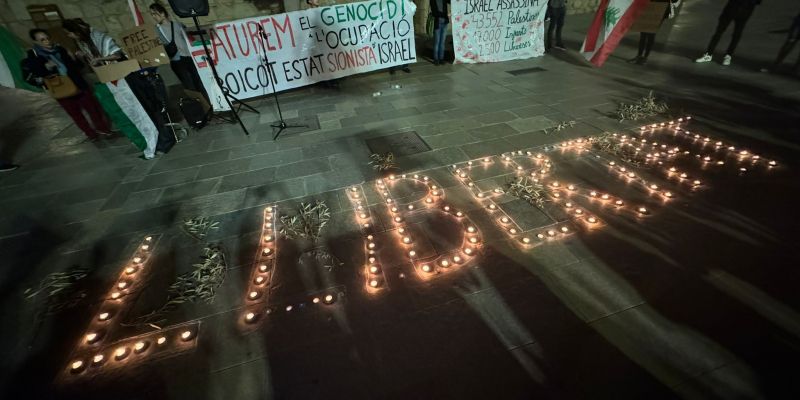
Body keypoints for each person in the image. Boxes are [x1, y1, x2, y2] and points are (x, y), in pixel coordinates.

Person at [62, 19, 174, 158]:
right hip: (111, 78)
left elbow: (117, 54)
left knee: (144, 108)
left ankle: (163, 140)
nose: (70, 37)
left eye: (70, 33)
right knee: (134, 112)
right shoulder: (84, 42)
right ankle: (152, 140)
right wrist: (85, 56)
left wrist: (99, 60)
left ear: (76, 31)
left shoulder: (98, 36)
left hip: (125, 77)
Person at [22, 28, 111, 141]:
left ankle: (103, 129)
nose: (47, 41)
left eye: (47, 38)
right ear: (36, 42)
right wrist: (46, 68)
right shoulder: (33, 55)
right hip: (60, 88)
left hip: (77, 84)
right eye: (42, 40)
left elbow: (77, 68)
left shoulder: (59, 49)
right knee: (76, 114)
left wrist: (77, 59)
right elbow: (37, 74)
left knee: (93, 108)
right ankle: (90, 134)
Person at [149, 2, 207, 99]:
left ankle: (210, 106)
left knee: (200, 83)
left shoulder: (178, 25)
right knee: (190, 86)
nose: (153, 17)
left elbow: (189, 39)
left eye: (155, 14)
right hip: (177, 60)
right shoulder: (157, 30)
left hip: (190, 57)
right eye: (152, 14)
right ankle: (201, 109)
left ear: (162, 13)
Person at [695, 0, 762, 66]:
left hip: (745, 10)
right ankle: (709, 54)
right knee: (720, 31)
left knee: (736, 34)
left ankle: (727, 55)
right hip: (732, 8)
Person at [628, 0, 678, 65]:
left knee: (647, 36)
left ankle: (642, 57)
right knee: (645, 36)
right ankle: (641, 57)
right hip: (653, 13)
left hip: (656, 14)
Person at [430, 0, 450, 65]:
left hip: (445, 23)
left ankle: (441, 59)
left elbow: (452, 2)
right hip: (437, 24)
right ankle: (436, 59)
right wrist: (445, 15)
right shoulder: (432, 1)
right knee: (437, 42)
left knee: (442, 42)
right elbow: (435, 13)